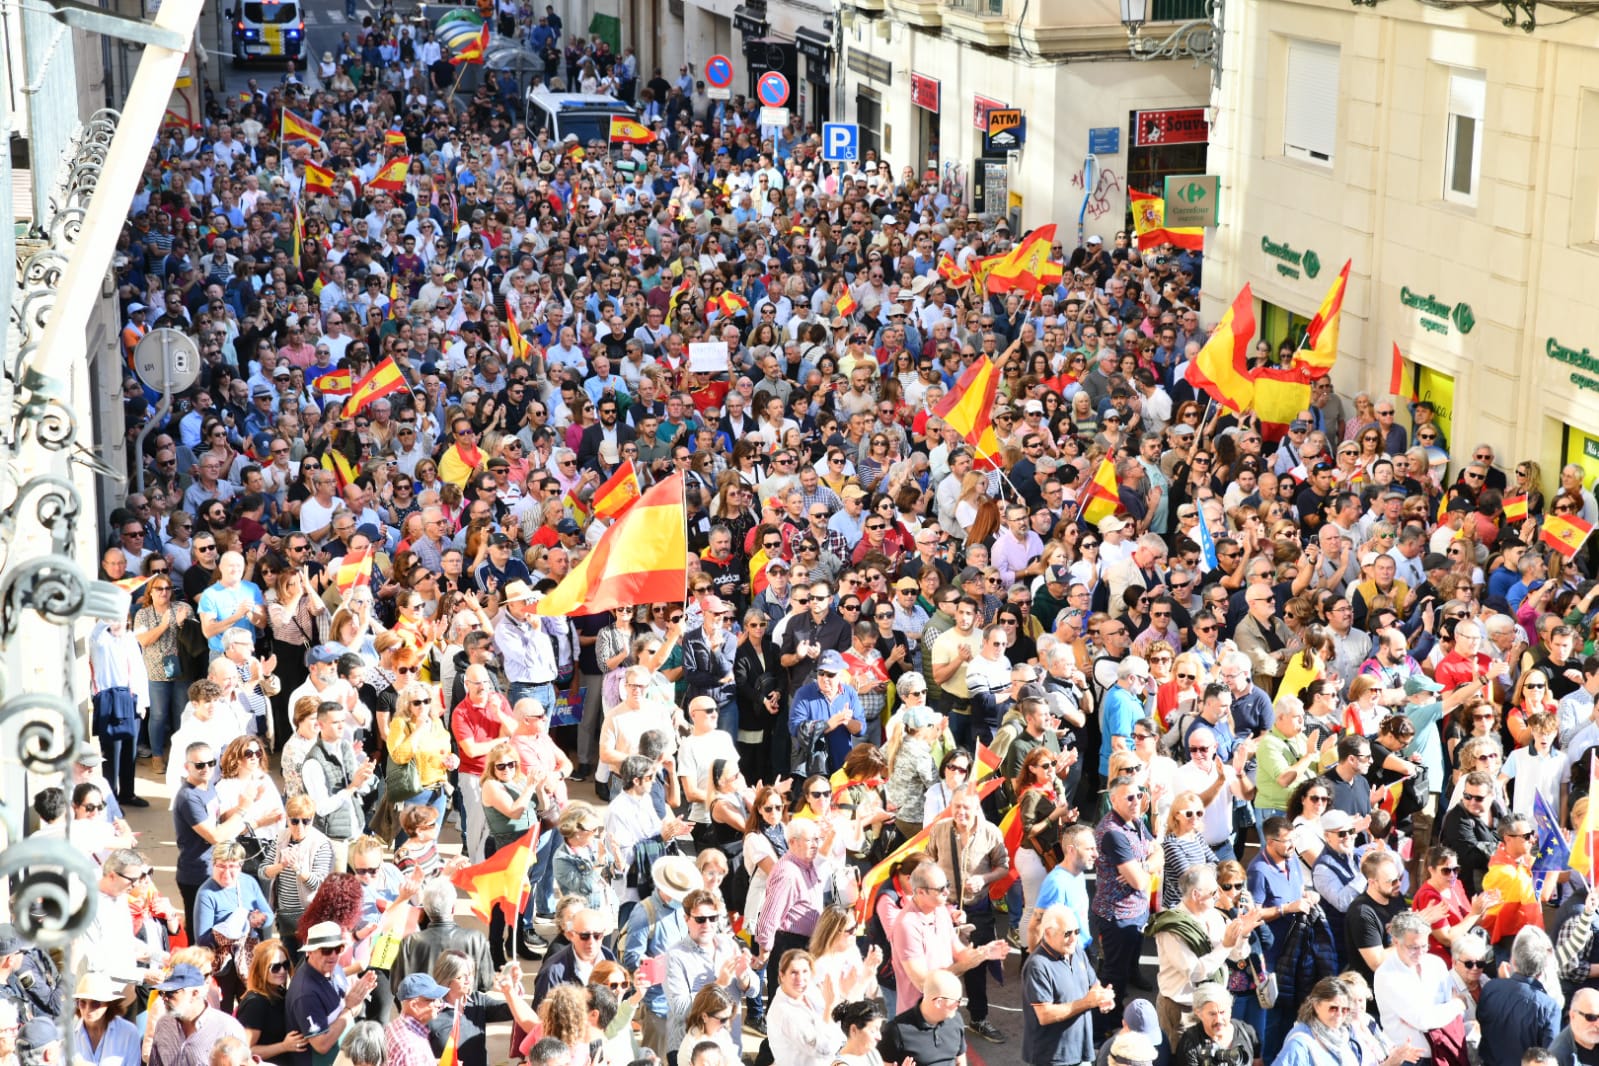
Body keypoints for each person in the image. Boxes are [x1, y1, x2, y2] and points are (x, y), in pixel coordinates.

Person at [1023, 904, 1112, 1066]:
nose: (1073, 938)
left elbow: (1093, 984)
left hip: (1081, 1051)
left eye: (1077, 932)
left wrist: (1102, 997)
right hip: (1054, 1058)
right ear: (1048, 933)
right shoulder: (1038, 965)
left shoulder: (1075, 951)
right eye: (1067, 934)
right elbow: (1045, 1014)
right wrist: (1087, 1002)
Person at [1477, 926, 1562, 1066]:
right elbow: (1550, 1054)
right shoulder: (1549, 1007)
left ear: (1513, 961)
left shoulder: (1490, 988)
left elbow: (1484, 1022)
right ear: (1542, 969)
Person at [148, 964, 248, 1066]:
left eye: (171, 993)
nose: (164, 998)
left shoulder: (227, 1028)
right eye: (162, 993)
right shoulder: (164, 1024)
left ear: (194, 994)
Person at [766, 950, 844, 1066]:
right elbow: (824, 1050)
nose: (800, 978)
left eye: (805, 971)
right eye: (794, 972)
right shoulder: (785, 1012)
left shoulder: (808, 991)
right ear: (782, 976)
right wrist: (829, 1007)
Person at [237, 939, 309, 1064]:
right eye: (275, 967)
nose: (282, 971)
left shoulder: (281, 993)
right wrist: (283, 1046)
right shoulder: (255, 1003)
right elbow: (244, 1050)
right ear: (261, 969)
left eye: (285, 964)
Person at [879, 969, 968, 1066]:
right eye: (957, 1001)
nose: (959, 1005)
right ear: (939, 1002)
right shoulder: (896, 1030)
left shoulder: (956, 1020)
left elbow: (960, 1059)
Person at [1172, 983, 1257, 1066]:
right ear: (1198, 1013)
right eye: (1212, 1014)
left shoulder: (1246, 1031)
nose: (1218, 1020)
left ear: (1230, 1010)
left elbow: (1258, 1062)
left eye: (1222, 1012)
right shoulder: (1190, 1044)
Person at [72, 971, 140, 1066]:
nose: (88, 1009)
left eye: (95, 1003)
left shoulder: (129, 1033)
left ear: (108, 1004)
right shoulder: (66, 1034)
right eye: (82, 1003)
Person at [383, 973, 446, 1066]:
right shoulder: (413, 1048)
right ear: (413, 1005)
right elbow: (412, 1056)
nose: (439, 1004)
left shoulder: (393, 1026)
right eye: (433, 999)